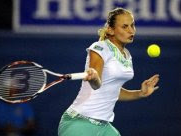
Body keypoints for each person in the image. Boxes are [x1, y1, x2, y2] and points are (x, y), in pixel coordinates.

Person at [58, 7, 160, 136]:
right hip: (79, 123)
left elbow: (112, 90)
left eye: (132, 25)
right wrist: (94, 77)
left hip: (104, 126)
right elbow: (97, 84)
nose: (131, 30)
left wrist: (140, 93)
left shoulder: (126, 55)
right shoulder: (100, 48)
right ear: (111, 30)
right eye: (124, 27)